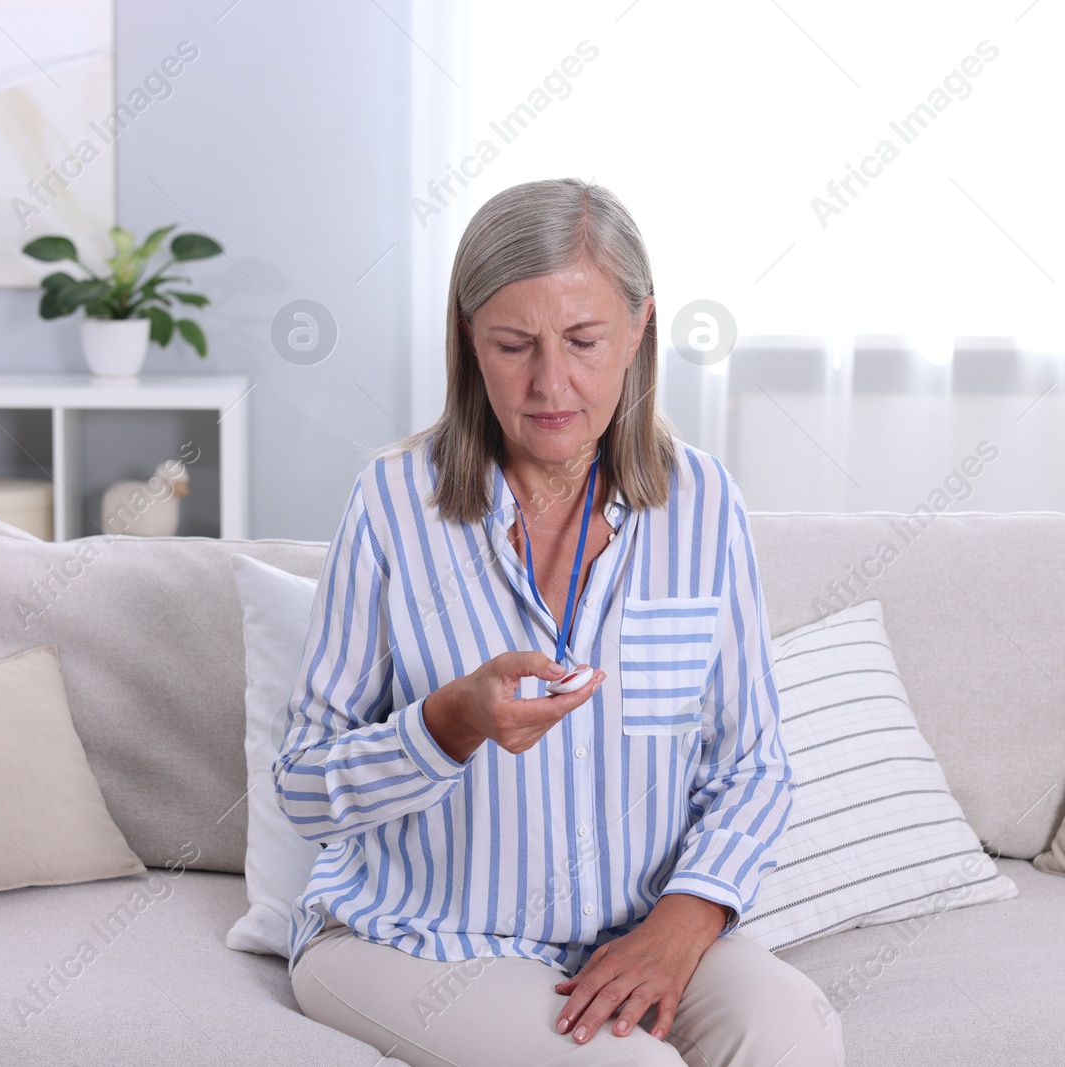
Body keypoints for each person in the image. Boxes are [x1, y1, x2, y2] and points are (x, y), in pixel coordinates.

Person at [273, 177, 844, 1066]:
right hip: (410, 937)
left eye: (583, 341)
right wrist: (449, 722)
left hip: (633, 928)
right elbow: (303, 787)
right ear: (470, 341)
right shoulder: (392, 503)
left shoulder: (703, 503)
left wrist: (685, 919)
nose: (551, 383)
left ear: (639, 331)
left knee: (792, 1030)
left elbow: (753, 767)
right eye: (513, 344)